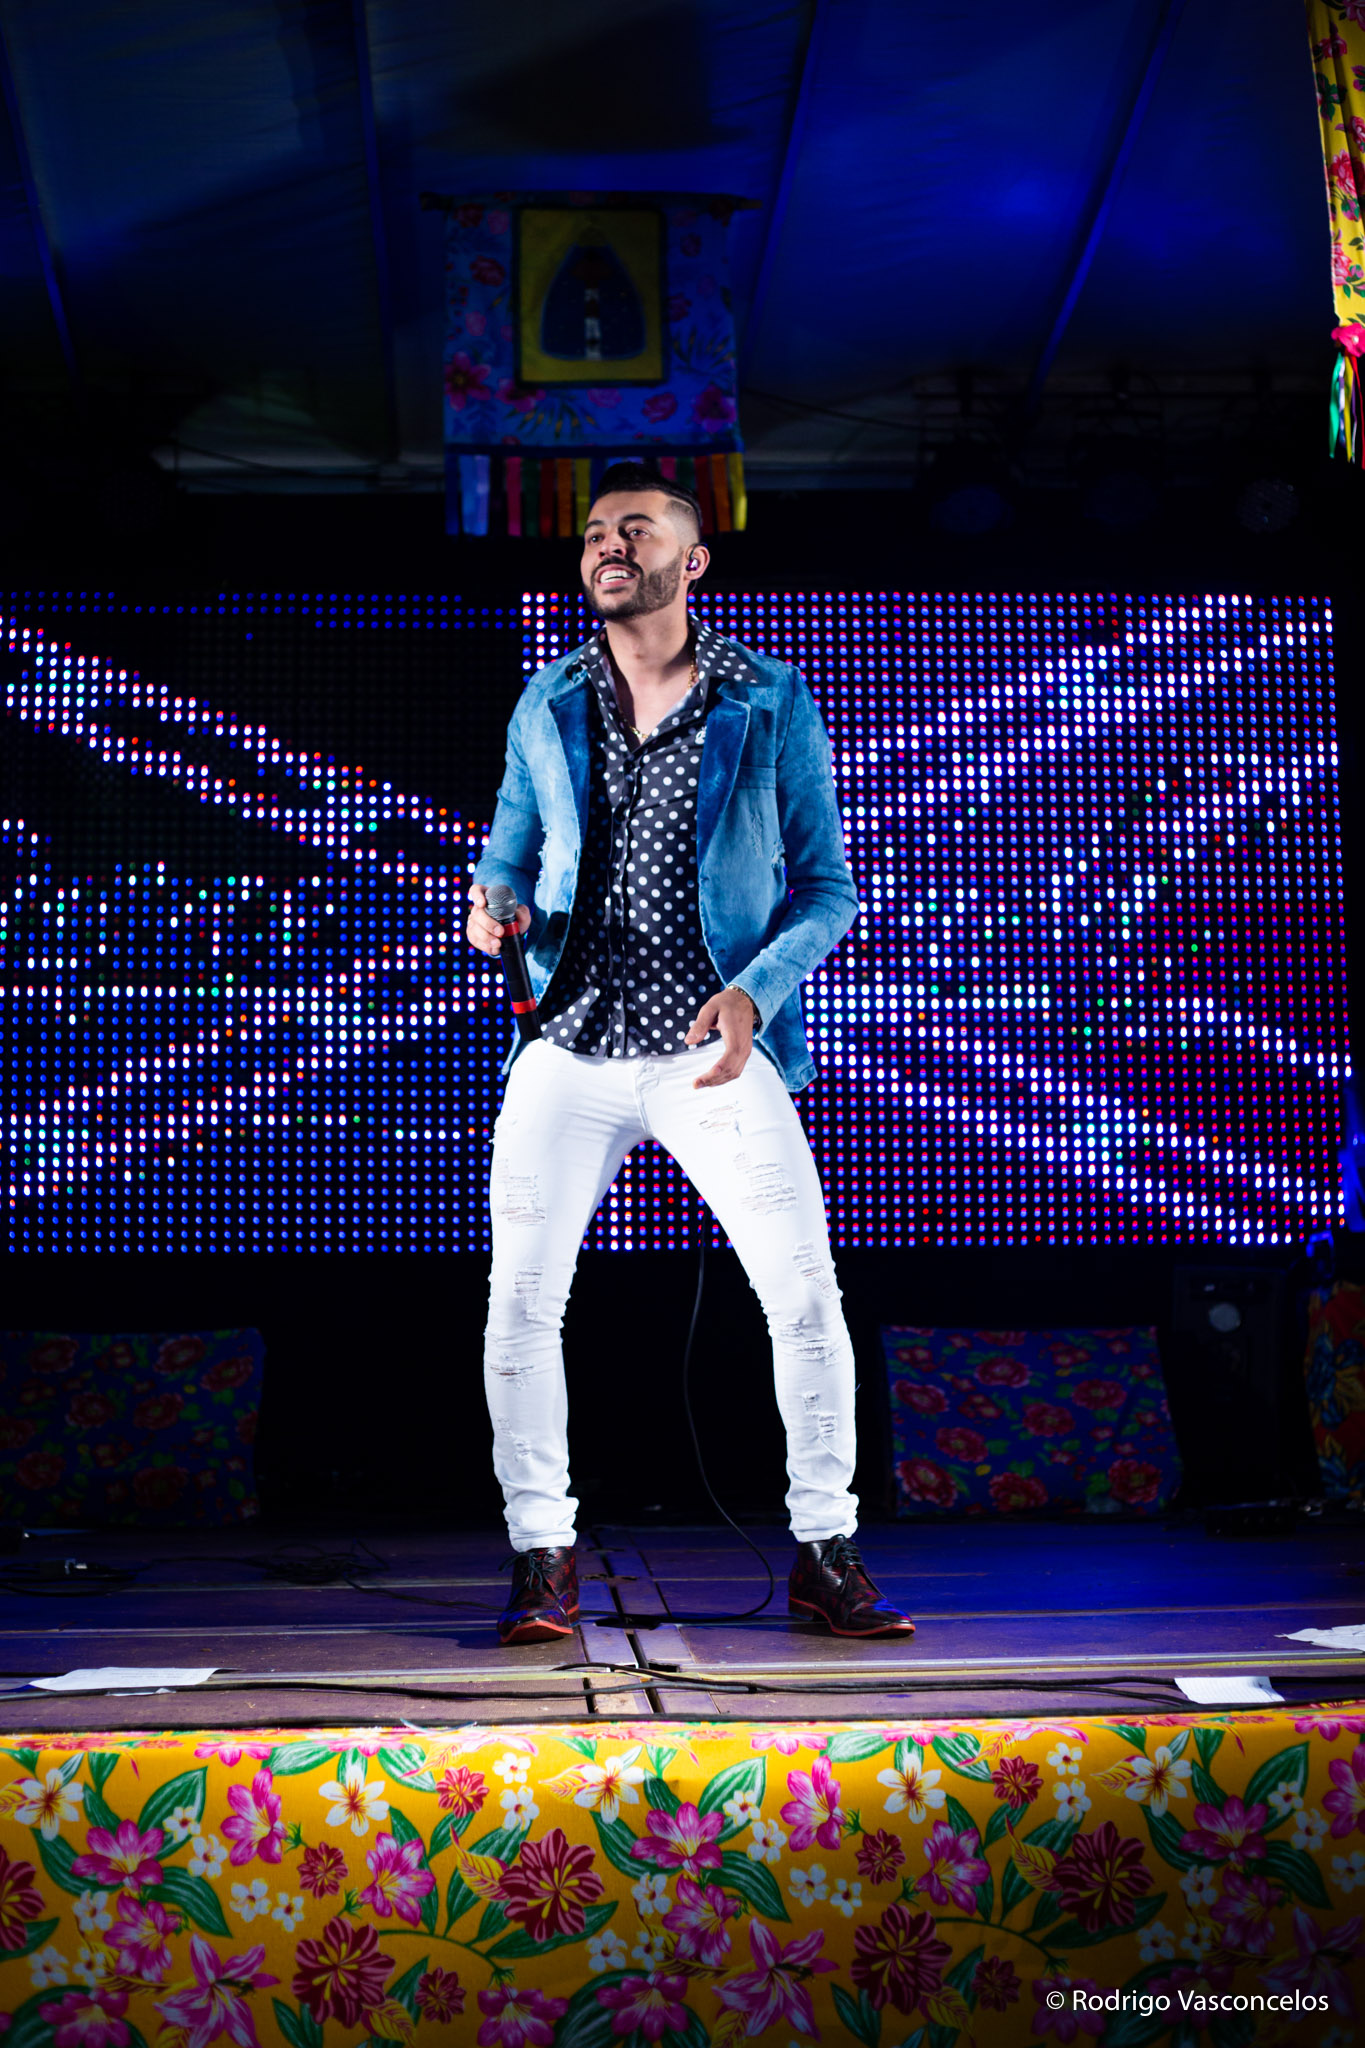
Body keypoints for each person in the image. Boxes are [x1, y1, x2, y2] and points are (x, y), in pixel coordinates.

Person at [467, 460, 913, 1646]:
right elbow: (507, 853)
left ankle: (826, 1553)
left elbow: (826, 888)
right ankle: (541, 1558)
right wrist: (492, 905)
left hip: (708, 1047)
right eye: (594, 533)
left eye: (637, 528)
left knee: (803, 1295)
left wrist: (755, 994)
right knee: (521, 1301)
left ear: (692, 559)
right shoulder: (547, 698)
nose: (609, 544)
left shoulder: (768, 697)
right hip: (568, 1041)